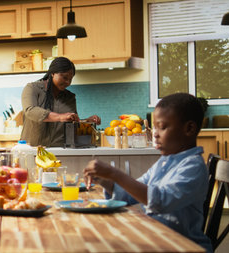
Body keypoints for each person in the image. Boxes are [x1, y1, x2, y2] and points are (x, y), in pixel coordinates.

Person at [83, 93, 212, 252]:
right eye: (154, 127)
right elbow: (131, 194)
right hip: (156, 238)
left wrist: (114, 173)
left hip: (183, 246)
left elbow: (160, 201)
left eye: (162, 127)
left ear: (189, 129)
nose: (155, 134)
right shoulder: (165, 161)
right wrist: (104, 180)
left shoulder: (193, 166)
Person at [20, 56, 100, 147]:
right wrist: (60, 117)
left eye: (70, 79)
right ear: (53, 73)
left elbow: (71, 122)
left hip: (60, 151)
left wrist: (86, 121)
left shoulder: (70, 96)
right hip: (32, 150)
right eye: (65, 77)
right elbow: (30, 111)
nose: (68, 82)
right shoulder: (32, 88)